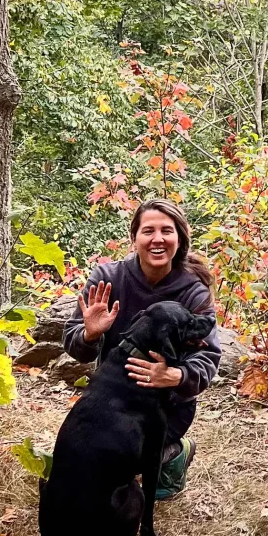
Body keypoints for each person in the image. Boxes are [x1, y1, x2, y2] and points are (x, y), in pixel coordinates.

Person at [60, 198, 222, 499]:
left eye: (167, 231)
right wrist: (89, 334)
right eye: (148, 231)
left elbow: (208, 356)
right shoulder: (107, 279)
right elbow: (76, 347)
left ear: (180, 238)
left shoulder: (193, 290)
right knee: (83, 462)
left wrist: (175, 376)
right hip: (113, 401)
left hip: (166, 407)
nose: (157, 239)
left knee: (130, 471)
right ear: (134, 237)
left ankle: (174, 453)